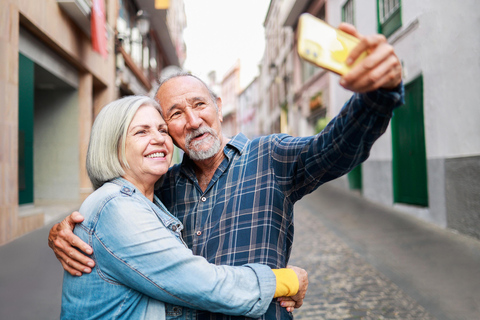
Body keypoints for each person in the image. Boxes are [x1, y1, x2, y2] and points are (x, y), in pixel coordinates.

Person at [49, 23, 403, 320]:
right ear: (169, 128)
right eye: (174, 114)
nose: (192, 120)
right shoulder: (164, 186)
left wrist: (378, 94)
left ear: (218, 108)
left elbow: (335, 148)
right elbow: (119, 217)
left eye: (200, 104)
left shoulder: (270, 157)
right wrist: (71, 229)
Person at [60, 95, 308, 320]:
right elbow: (200, 283)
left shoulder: (147, 199)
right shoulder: (117, 208)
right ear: (112, 145)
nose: (158, 139)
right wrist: (287, 280)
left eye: (161, 130)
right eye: (141, 132)